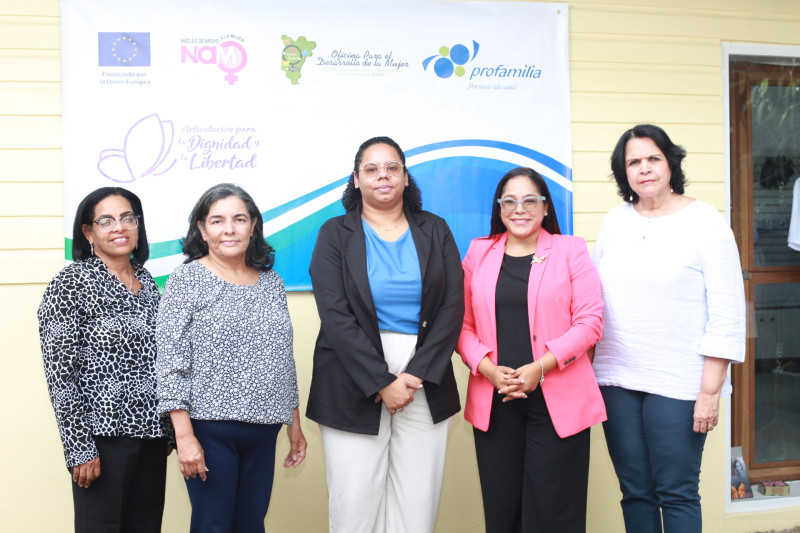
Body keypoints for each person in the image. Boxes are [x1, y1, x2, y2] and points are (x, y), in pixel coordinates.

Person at [592, 124, 746, 533]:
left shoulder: (705, 221)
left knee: (676, 492)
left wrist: (710, 392)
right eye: (633, 162)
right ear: (623, 172)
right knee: (635, 491)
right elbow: (594, 299)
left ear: (670, 162)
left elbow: (728, 312)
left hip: (680, 383)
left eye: (653, 158)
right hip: (616, 380)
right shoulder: (614, 221)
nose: (644, 169)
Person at [307, 136, 464, 533]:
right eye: (372, 169)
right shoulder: (333, 233)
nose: (383, 176)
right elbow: (335, 314)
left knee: (417, 497)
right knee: (354, 497)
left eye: (392, 168)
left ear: (406, 178)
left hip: (423, 373)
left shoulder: (436, 229)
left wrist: (415, 374)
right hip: (352, 372)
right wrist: (381, 381)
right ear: (355, 180)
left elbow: (452, 306)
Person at [457, 167, 606, 533]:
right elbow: (460, 326)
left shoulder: (570, 250)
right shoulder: (479, 252)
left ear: (544, 208)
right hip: (497, 398)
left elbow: (590, 322)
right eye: (510, 201)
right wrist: (489, 369)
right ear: (499, 207)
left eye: (529, 200)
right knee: (502, 509)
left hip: (558, 402)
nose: (519, 209)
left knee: (555, 513)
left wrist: (540, 367)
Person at [156, 183, 306, 532]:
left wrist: (293, 420)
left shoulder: (272, 282)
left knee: (251, 525)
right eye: (217, 220)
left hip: (265, 427)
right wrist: (184, 436)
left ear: (253, 225)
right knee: (214, 525)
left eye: (239, 219)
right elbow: (170, 360)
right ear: (202, 229)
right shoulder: (186, 279)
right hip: (210, 429)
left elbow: (282, 356)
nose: (229, 229)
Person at [38, 186, 170, 532]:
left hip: (152, 437)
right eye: (106, 220)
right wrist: (79, 447)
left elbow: (162, 361)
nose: (119, 227)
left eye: (128, 218)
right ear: (88, 232)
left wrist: (169, 431)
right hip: (101, 440)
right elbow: (60, 375)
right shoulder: (70, 284)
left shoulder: (147, 283)